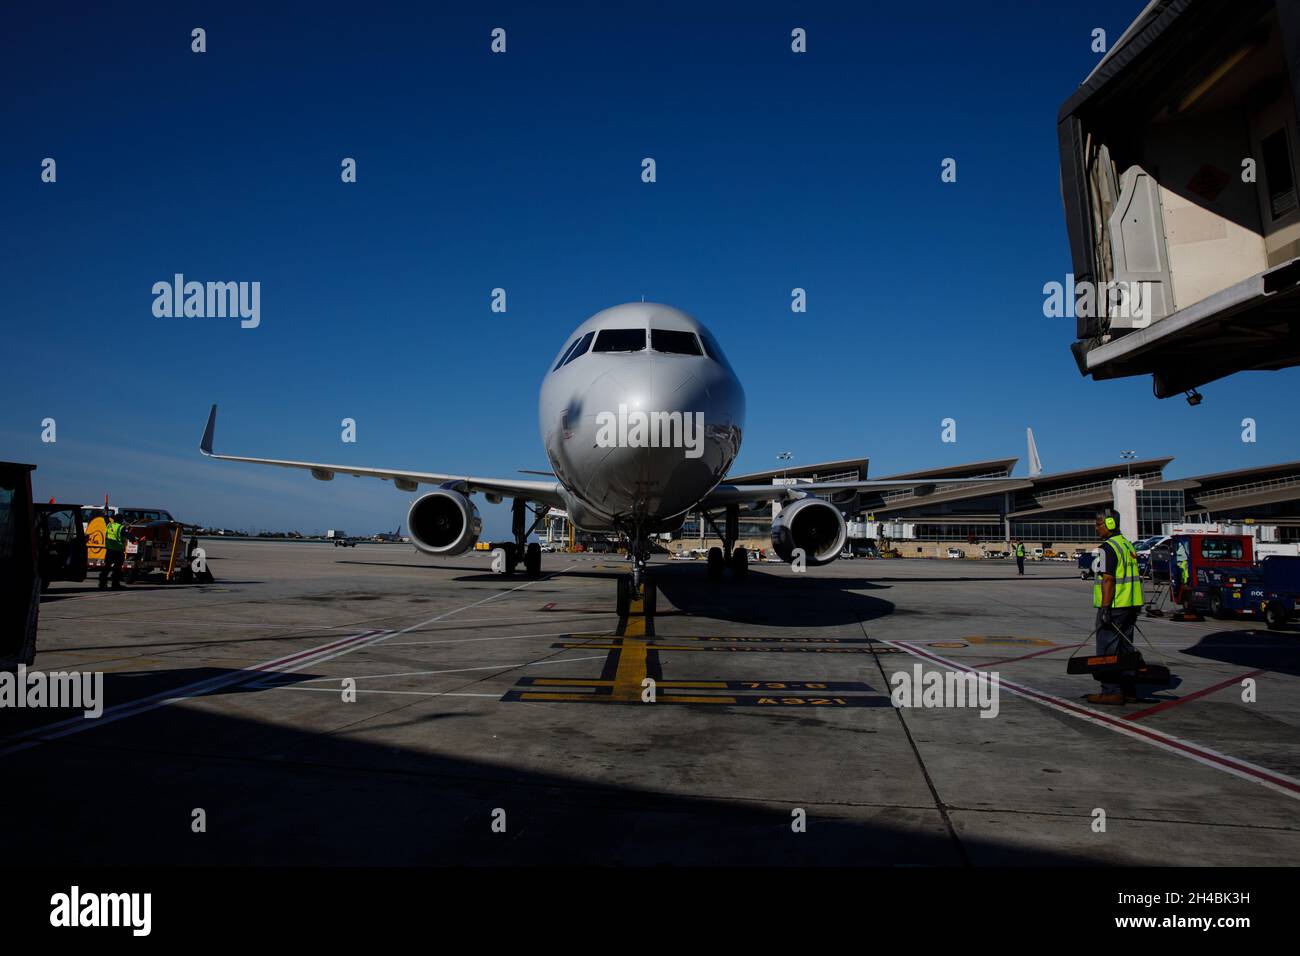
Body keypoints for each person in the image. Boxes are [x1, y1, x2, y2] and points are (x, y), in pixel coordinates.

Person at [1089, 510, 1144, 704]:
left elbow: (1109, 580)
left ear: (1111, 524)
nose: (1097, 528)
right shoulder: (1127, 545)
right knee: (1126, 648)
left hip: (1114, 606)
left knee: (1108, 649)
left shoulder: (1107, 548)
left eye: (1099, 524)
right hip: (1131, 604)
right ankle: (1129, 689)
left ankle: (1111, 690)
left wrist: (1105, 608)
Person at [99, 512, 130, 590]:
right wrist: (135, 539)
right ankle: (115, 584)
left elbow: (106, 519)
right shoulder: (121, 527)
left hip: (109, 550)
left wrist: (105, 513)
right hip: (118, 551)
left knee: (106, 567)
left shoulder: (109, 525)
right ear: (120, 520)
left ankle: (102, 583)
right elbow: (127, 535)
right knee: (117, 568)